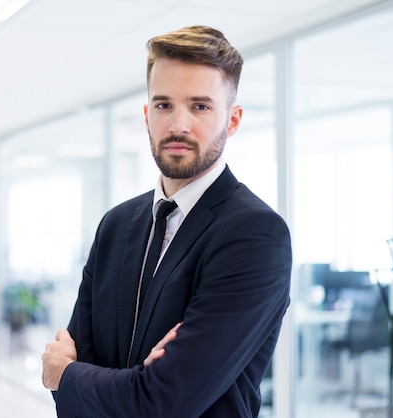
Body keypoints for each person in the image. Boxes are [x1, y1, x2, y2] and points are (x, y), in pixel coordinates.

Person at [42, 25, 292, 417]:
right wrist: (109, 382)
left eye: (200, 106)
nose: (178, 125)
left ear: (234, 119)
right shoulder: (115, 225)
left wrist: (67, 374)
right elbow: (75, 396)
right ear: (146, 115)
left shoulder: (255, 234)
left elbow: (165, 402)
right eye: (163, 105)